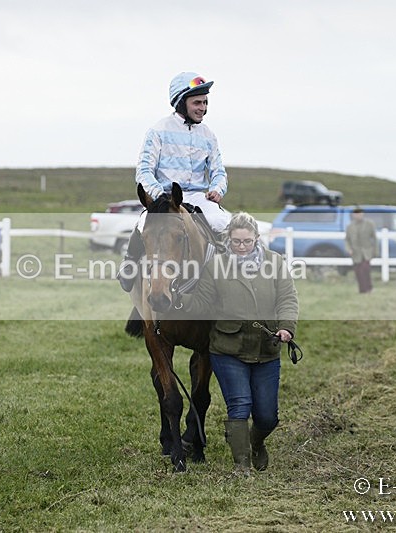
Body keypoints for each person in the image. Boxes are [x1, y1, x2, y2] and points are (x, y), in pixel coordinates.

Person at [178, 212, 299, 472]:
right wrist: (177, 300)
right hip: (227, 349)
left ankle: (256, 443)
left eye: (247, 241)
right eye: (236, 242)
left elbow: (287, 299)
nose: (242, 247)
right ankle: (241, 465)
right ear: (228, 240)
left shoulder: (275, 263)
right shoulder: (216, 266)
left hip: (266, 349)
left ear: (256, 238)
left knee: (268, 416)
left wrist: (287, 327)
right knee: (240, 405)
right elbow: (202, 303)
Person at [119, 71, 230, 292]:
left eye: (205, 102)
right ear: (181, 102)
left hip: (198, 197)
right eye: (197, 102)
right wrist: (159, 194)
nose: (203, 108)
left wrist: (217, 189)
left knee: (225, 223)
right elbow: (143, 170)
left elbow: (218, 171)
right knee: (143, 223)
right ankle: (129, 266)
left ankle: (230, 280)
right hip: (167, 197)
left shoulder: (209, 135)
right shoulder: (158, 131)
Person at [344, 207, 377, 294]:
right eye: (356, 214)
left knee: (365, 270)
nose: (358, 216)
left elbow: (374, 239)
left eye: (360, 214)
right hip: (355, 252)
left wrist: (375, 251)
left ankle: (368, 288)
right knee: (358, 271)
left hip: (366, 251)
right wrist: (349, 249)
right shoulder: (350, 227)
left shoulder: (370, 224)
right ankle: (362, 289)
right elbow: (347, 239)